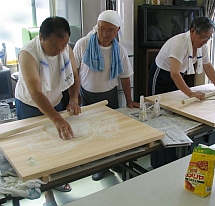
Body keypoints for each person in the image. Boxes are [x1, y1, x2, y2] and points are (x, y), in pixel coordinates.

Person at [15, 16, 81, 206]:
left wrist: (74, 99)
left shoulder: (65, 48)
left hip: (56, 101)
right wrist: (57, 119)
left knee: (59, 147)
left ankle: (57, 181)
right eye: (54, 47)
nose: (60, 50)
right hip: (31, 106)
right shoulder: (28, 53)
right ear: (41, 38)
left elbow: (74, 76)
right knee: (38, 151)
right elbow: (36, 92)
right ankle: (47, 195)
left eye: (64, 45)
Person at [73, 10, 139, 181]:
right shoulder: (83, 44)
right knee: (92, 133)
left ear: (117, 30)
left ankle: (116, 161)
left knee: (112, 131)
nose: (104, 34)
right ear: (97, 27)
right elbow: (74, 73)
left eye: (109, 30)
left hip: (110, 96)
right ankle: (99, 166)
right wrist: (74, 97)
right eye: (101, 29)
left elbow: (125, 76)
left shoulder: (119, 50)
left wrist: (130, 100)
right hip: (86, 95)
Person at [148, 16, 215, 98]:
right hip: (162, 74)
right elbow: (174, 73)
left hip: (179, 73)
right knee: (157, 103)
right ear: (192, 31)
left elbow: (207, 65)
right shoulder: (179, 44)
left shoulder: (203, 45)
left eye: (208, 38)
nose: (205, 41)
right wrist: (190, 93)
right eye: (203, 37)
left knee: (175, 103)